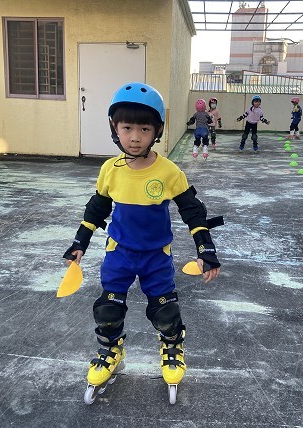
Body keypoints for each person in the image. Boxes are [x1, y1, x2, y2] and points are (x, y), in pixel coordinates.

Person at [63, 82, 223, 404]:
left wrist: (206, 249)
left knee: (165, 311)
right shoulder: (110, 170)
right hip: (119, 253)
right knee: (108, 309)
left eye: (144, 129)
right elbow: (97, 208)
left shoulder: (169, 172)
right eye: (127, 128)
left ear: (157, 131)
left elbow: (192, 211)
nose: (135, 137)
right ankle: (111, 349)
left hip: (155, 256)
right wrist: (80, 242)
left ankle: (172, 347)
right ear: (115, 128)